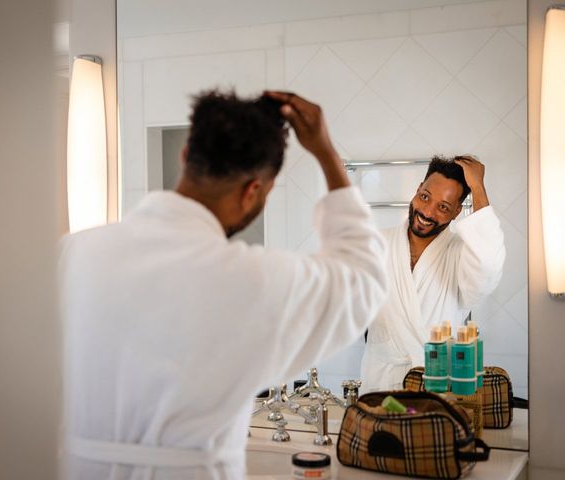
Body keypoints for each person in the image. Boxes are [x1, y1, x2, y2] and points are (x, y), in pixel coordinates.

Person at [59, 90, 388, 480]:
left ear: (185, 156)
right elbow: (364, 275)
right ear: (253, 191)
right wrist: (325, 152)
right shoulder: (254, 279)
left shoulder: (71, 253)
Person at [359, 155, 506, 392]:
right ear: (417, 190)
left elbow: (488, 268)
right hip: (379, 386)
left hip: (434, 387)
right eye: (425, 197)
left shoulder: (462, 255)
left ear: (457, 211)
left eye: (443, 207)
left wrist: (478, 188)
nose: (427, 212)